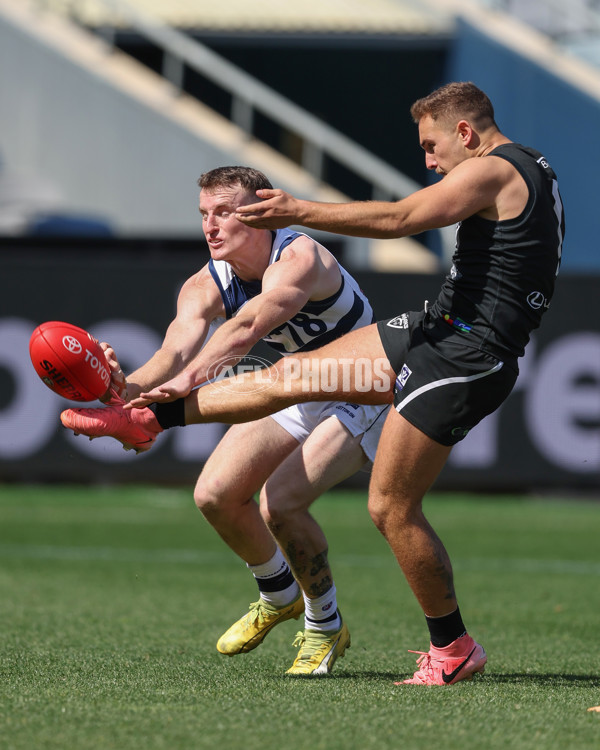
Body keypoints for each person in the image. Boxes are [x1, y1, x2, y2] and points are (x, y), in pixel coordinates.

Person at [62, 82, 565, 685]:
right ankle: (145, 421)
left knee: (389, 507)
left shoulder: (495, 169)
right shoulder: (529, 167)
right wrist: (127, 390)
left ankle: (452, 647)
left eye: (432, 147)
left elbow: (403, 218)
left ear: (465, 132)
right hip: (438, 326)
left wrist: (300, 209)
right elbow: (181, 344)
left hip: (469, 353)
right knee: (288, 377)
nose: (428, 162)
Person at [62, 165, 391, 676]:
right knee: (214, 495)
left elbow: (248, 326)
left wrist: (191, 380)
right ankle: (279, 593)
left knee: (279, 504)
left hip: (360, 386)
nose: (209, 226)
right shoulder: (205, 282)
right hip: (297, 388)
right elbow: (173, 350)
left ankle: (324, 627)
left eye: (224, 213)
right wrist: (117, 386)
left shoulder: (298, 256)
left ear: (259, 215)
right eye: (204, 214)